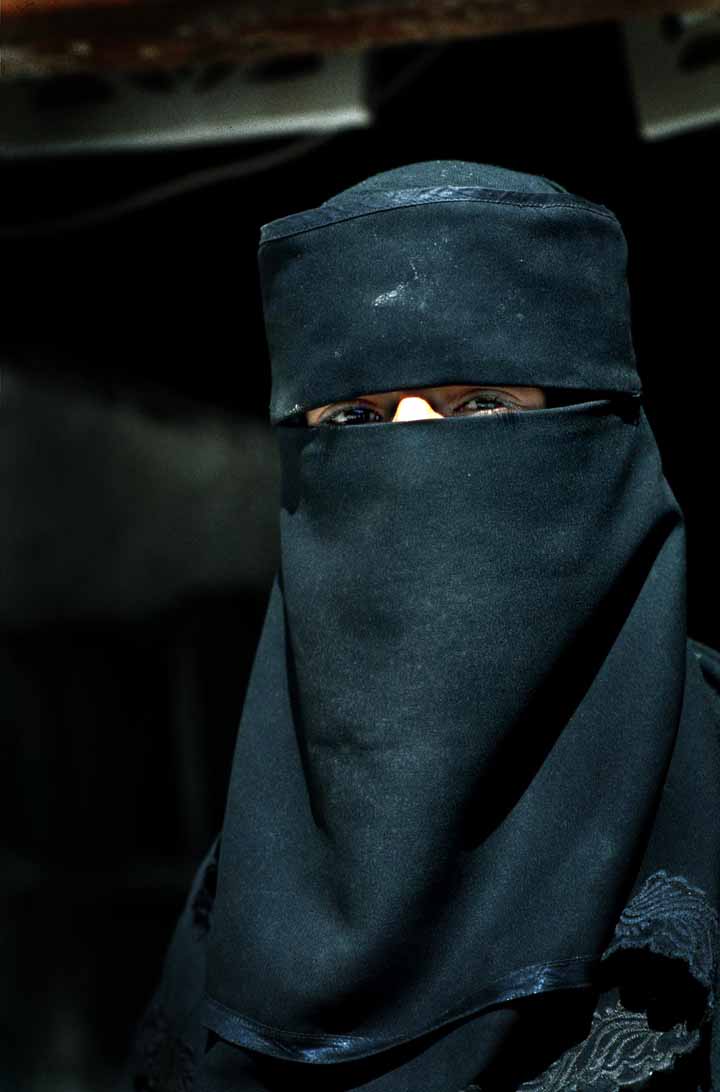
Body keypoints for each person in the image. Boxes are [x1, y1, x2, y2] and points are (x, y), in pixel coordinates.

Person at [123, 161, 720, 1092]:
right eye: (353, 418)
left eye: (479, 406)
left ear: (593, 428)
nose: (410, 457)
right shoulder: (259, 855)